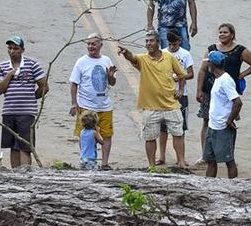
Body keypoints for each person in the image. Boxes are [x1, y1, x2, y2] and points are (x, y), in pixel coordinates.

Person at [119, 30, 190, 169]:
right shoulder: (142, 59)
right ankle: (151, 166)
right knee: (150, 137)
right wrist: (125, 52)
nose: (148, 43)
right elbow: (132, 57)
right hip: (150, 107)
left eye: (151, 41)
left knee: (178, 134)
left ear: (158, 42)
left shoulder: (169, 57)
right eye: (146, 41)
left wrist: (181, 90)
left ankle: (181, 162)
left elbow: (182, 75)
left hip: (171, 104)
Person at [195, 23, 251, 161]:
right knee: (207, 121)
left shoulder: (239, 50)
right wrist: (199, 90)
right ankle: (206, 155)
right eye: (220, 32)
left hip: (229, 93)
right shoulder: (211, 49)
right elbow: (202, 70)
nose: (222, 34)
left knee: (229, 121)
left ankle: (227, 154)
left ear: (232, 35)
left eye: (225, 32)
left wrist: (242, 75)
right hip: (209, 90)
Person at [0, 35, 48, 168]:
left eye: (16, 48)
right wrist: (9, 74)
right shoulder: (2, 66)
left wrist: (31, 98)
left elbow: (44, 87)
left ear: (22, 50)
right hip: (9, 111)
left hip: (27, 113)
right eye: (10, 48)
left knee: (25, 147)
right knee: (13, 146)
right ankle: (16, 173)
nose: (12, 51)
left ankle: (25, 172)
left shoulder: (32, 65)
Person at [70, 33, 117, 169]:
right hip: (86, 106)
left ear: (100, 45)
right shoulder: (81, 61)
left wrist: (110, 76)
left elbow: (112, 83)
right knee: (84, 134)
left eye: (94, 44)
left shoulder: (106, 60)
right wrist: (74, 103)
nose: (91, 46)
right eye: (89, 44)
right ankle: (85, 159)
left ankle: (105, 163)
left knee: (107, 135)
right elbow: (74, 83)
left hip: (104, 106)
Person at [203, 50, 242, 179]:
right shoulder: (218, 79)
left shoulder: (225, 80)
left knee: (229, 160)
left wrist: (229, 121)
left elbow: (238, 102)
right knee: (210, 160)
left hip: (222, 127)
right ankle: (208, 185)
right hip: (213, 125)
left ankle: (234, 185)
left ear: (212, 64)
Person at [158, 32, 194, 166]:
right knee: (163, 128)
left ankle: (181, 158)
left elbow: (190, 74)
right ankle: (162, 156)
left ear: (179, 41)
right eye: (170, 44)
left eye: (174, 44)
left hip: (181, 95)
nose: (172, 47)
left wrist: (178, 77)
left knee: (180, 128)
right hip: (165, 94)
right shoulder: (162, 53)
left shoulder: (185, 54)